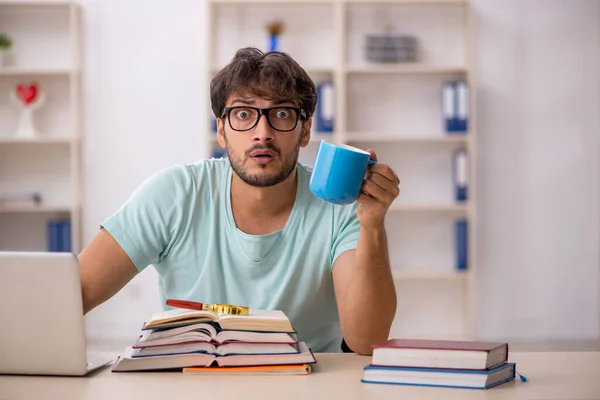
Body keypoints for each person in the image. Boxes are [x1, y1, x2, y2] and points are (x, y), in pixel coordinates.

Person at [78, 47, 400, 355]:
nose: (262, 133)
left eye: (282, 114)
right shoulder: (174, 194)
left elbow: (366, 339)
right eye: (243, 114)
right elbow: (78, 291)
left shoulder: (339, 207)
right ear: (221, 130)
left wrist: (372, 225)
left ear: (304, 131)